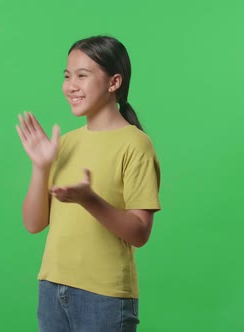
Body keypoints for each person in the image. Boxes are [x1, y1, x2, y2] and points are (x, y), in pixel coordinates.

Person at [16, 35, 161, 332]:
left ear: (114, 82)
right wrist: (40, 166)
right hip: (52, 287)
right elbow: (33, 223)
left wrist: (89, 199)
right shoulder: (65, 143)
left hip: (104, 297)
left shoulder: (135, 144)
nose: (71, 85)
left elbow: (140, 233)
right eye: (68, 76)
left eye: (83, 75)